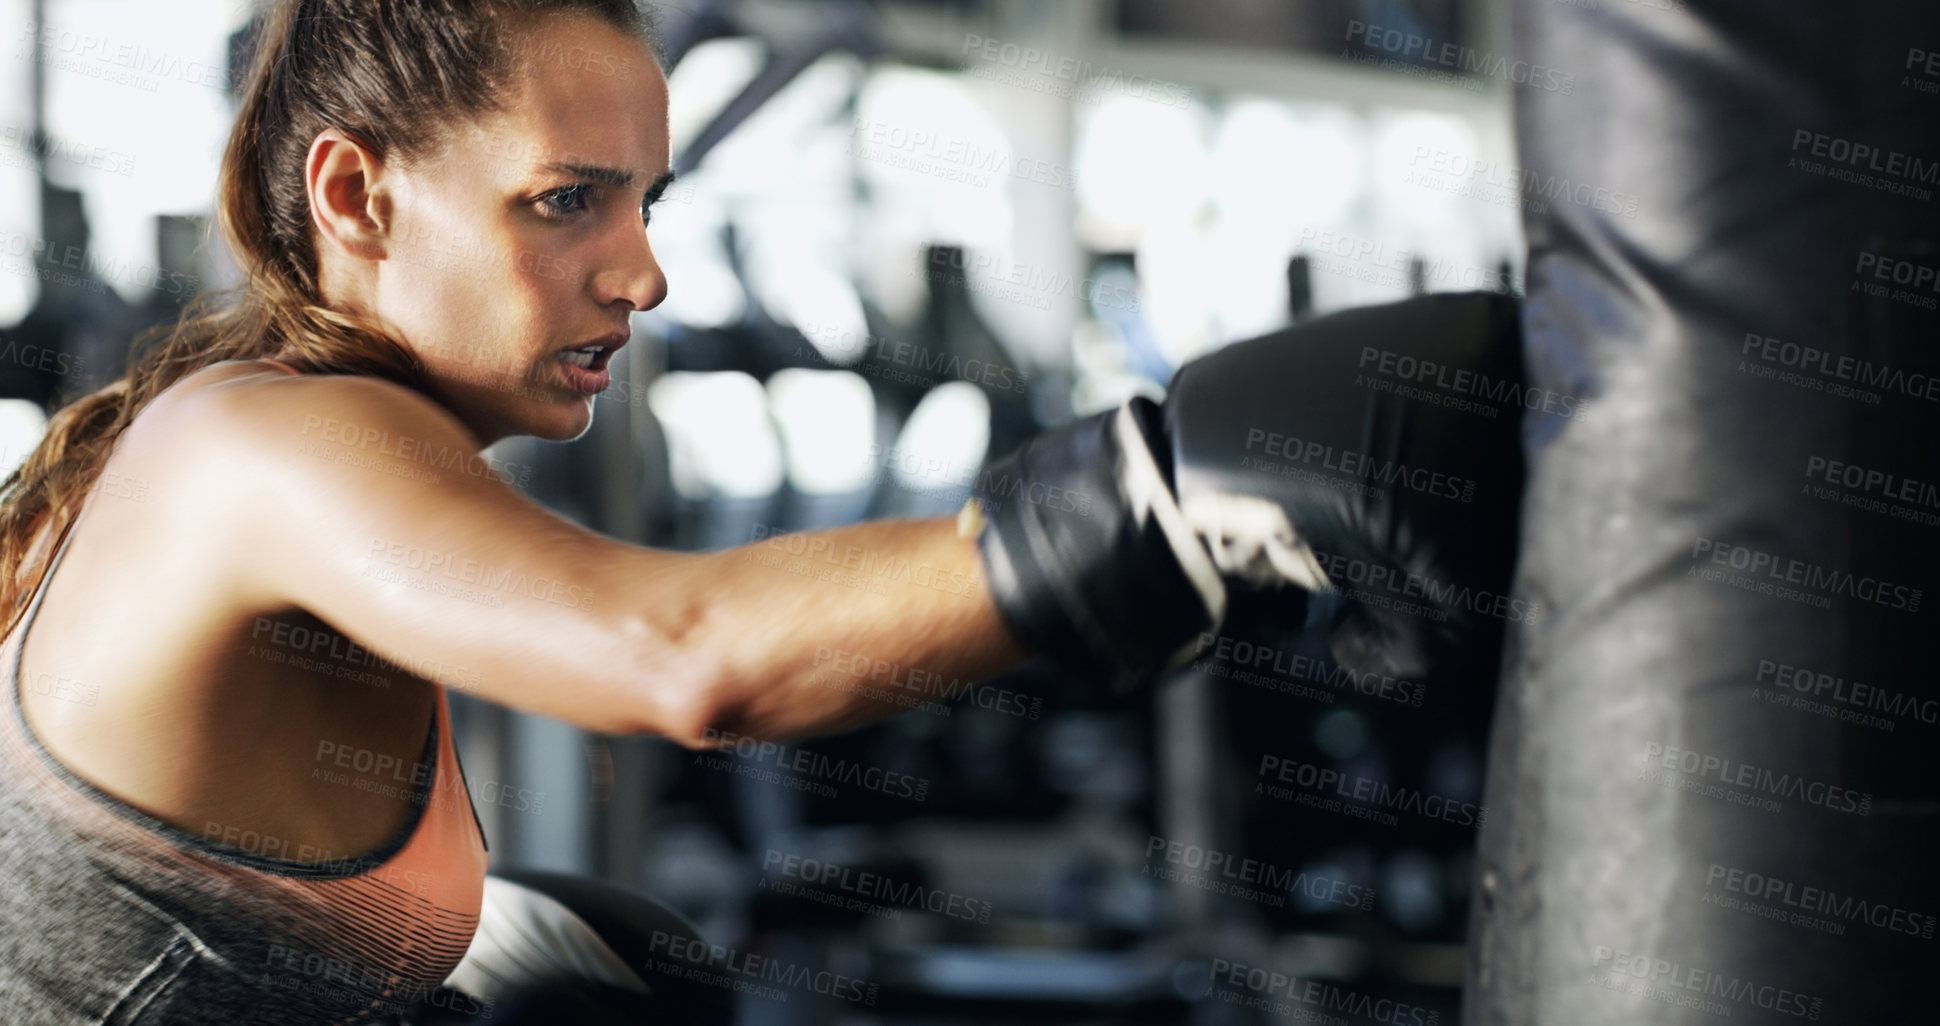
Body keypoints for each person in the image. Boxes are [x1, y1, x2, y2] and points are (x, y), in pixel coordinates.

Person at [0, 1, 1526, 1023]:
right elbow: (689, 653)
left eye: (644, 205)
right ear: (355, 196)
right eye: (564, 201)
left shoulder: (307, 447)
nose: (642, 274)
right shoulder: (257, 446)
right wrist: (1165, 502)